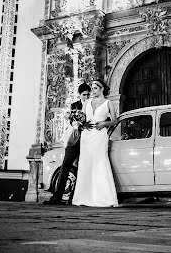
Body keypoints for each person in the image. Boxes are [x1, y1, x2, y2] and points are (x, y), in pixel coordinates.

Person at [72, 78, 118, 207]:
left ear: (102, 88)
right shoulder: (87, 102)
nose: (93, 90)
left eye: (95, 88)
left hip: (99, 135)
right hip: (87, 136)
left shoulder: (109, 103)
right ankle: (83, 198)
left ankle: (104, 198)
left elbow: (115, 120)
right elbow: (82, 117)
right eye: (92, 88)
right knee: (86, 163)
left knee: (99, 162)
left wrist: (104, 123)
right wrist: (78, 122)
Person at [44, 82, 91, 205]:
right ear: (80, 95)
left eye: (88, 95)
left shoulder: (92, 106)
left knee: (84, 168)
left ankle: (80, 197)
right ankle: (57, 197)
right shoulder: (74, 105)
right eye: (84, 95)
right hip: (74, 141)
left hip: (87, 142)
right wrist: (75, 124)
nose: (86, 97)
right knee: (65, 166)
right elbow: (71, 122)